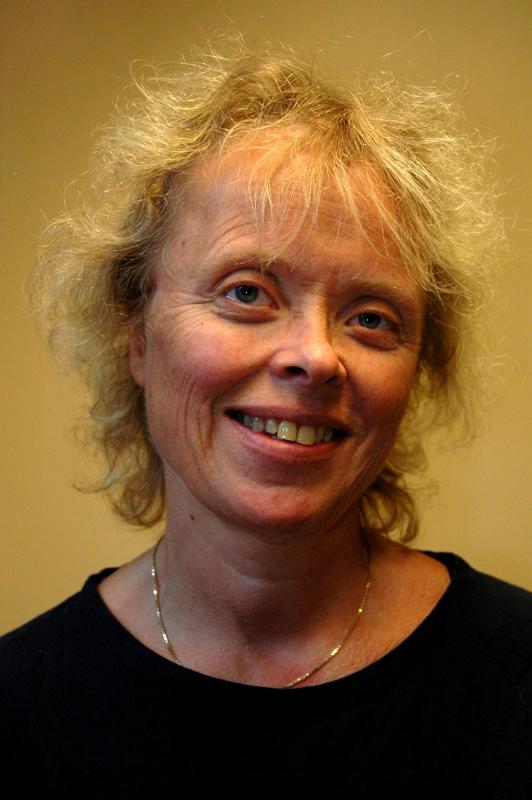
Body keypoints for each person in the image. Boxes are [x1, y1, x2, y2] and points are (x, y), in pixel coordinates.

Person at [2, 44, 531, 797]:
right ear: (137, 337)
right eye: (247, 292)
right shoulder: (20, 708)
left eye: (371, 317)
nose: (315, 357)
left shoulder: (516, 679)